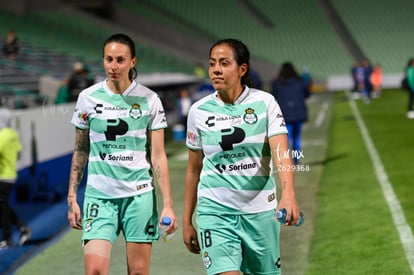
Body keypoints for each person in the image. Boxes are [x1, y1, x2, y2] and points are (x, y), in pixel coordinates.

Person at [182, 38, 301, 275]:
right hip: (214, 211)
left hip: (260, 212)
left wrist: (288, 194)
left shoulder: (264, 102)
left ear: (242, 69)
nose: (216, 69)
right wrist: (187, 220)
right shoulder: (198, 111)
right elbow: (194, 169)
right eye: (212, 63)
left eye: (224, 63)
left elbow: (280, 152)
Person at [67, 33, 178, 275]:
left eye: (120, 60)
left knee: (138, 272)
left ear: (133, 62)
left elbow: (158, 155)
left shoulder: (150, 99)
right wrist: (72, 196)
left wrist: (168, 204)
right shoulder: (87, 98)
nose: (113, 66)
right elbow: (80, 149)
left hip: (138, 197)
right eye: (109, 59)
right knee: (94, 271)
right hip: (99, 196)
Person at [0, 108, 31, 250]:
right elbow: (18, 152)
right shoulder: (13, 134)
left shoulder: (3, 135)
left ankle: (7, 238)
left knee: (3, 208)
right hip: (11, 174)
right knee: (3, 205)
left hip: (2, 176)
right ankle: (21, 227)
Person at [271, 62, 310, 165]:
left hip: (285, 114)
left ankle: (286, 161)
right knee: (296, 137)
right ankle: (297, 161)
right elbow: (307, 94)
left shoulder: (277, 83)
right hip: (298, 113)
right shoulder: (300, 81)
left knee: (286, 138)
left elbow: (272, 96)